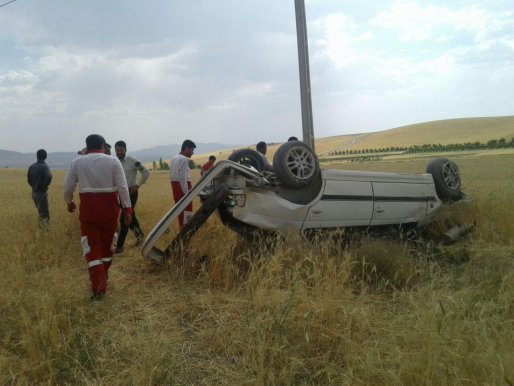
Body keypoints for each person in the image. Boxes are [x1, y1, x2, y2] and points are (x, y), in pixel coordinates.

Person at [63, 134, 132, 300]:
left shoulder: (77, 162)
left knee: (92, 248)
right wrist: (128, 209)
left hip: (89, 212)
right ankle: (104, 273)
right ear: (102, 146)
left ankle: (99, 287)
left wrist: (70, 202)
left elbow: (67, 188)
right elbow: (122, 187)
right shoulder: (113, 161)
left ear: (86, 147)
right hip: (110, 211)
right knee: (108, 246)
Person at [113, 140, 150, 253]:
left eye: (121, 150)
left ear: (125, 150)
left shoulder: (132, 160)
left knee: (125, 218)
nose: (119, 152)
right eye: (117, 150)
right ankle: (140, 236)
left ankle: (119, 247)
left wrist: (137, 185)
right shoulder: (113, 161)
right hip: (118, 194)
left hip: (131, 193)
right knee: (131, 216)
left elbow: (146, 172)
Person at [170, 139, 196, 227]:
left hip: (175, 186)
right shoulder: (184, 159)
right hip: (183, 187)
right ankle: (187, 230)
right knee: (187, 210)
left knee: (179, 210)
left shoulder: (174, 158)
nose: (193, 153)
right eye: (192, 150)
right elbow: (183, 178)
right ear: (187, 148)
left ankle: (181, 228)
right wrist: (186, 193)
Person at [27, 149, 53, 228]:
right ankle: (44, 233)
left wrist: (34, 186)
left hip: (34, 193)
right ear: (45, 156)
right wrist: (44, 186)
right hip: (41, 193)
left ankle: (42, 231)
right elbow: (49, 177)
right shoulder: (44, 167)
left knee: (40, 212)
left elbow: (29, 180)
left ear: (37, 156)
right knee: (44, 214)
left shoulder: (31, 167)